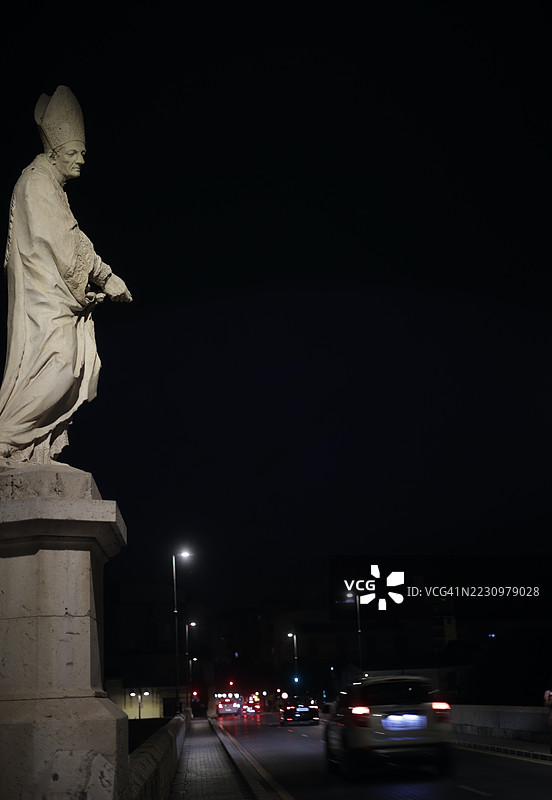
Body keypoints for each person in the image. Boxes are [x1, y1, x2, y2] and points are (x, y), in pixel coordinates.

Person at [0, 86, 132, 463]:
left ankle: (25, 448)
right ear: (53, 153)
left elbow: (70, 235)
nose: (81, 161)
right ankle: (7, 439)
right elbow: (62, 242)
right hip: (45, 302)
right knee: (58, 365)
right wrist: (104, 278)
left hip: (53, 297)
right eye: (73, 154)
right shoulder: (37, 183)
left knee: (66, 369)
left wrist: (102, 277)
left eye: (83, 153)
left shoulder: (49, 186)